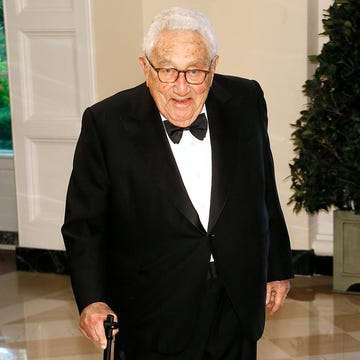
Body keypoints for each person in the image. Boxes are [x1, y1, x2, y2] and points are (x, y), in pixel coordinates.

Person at [62, 6, 293, 360]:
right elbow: (84, 224)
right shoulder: (105, 124)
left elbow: (263, 187)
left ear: (214, 67)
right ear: (145, 66)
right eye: (167, 70)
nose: (181, 87)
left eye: (195, 71)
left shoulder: (246, 101)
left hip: (236, 294)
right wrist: (92, 299)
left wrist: (276, 266)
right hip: (151, 305)